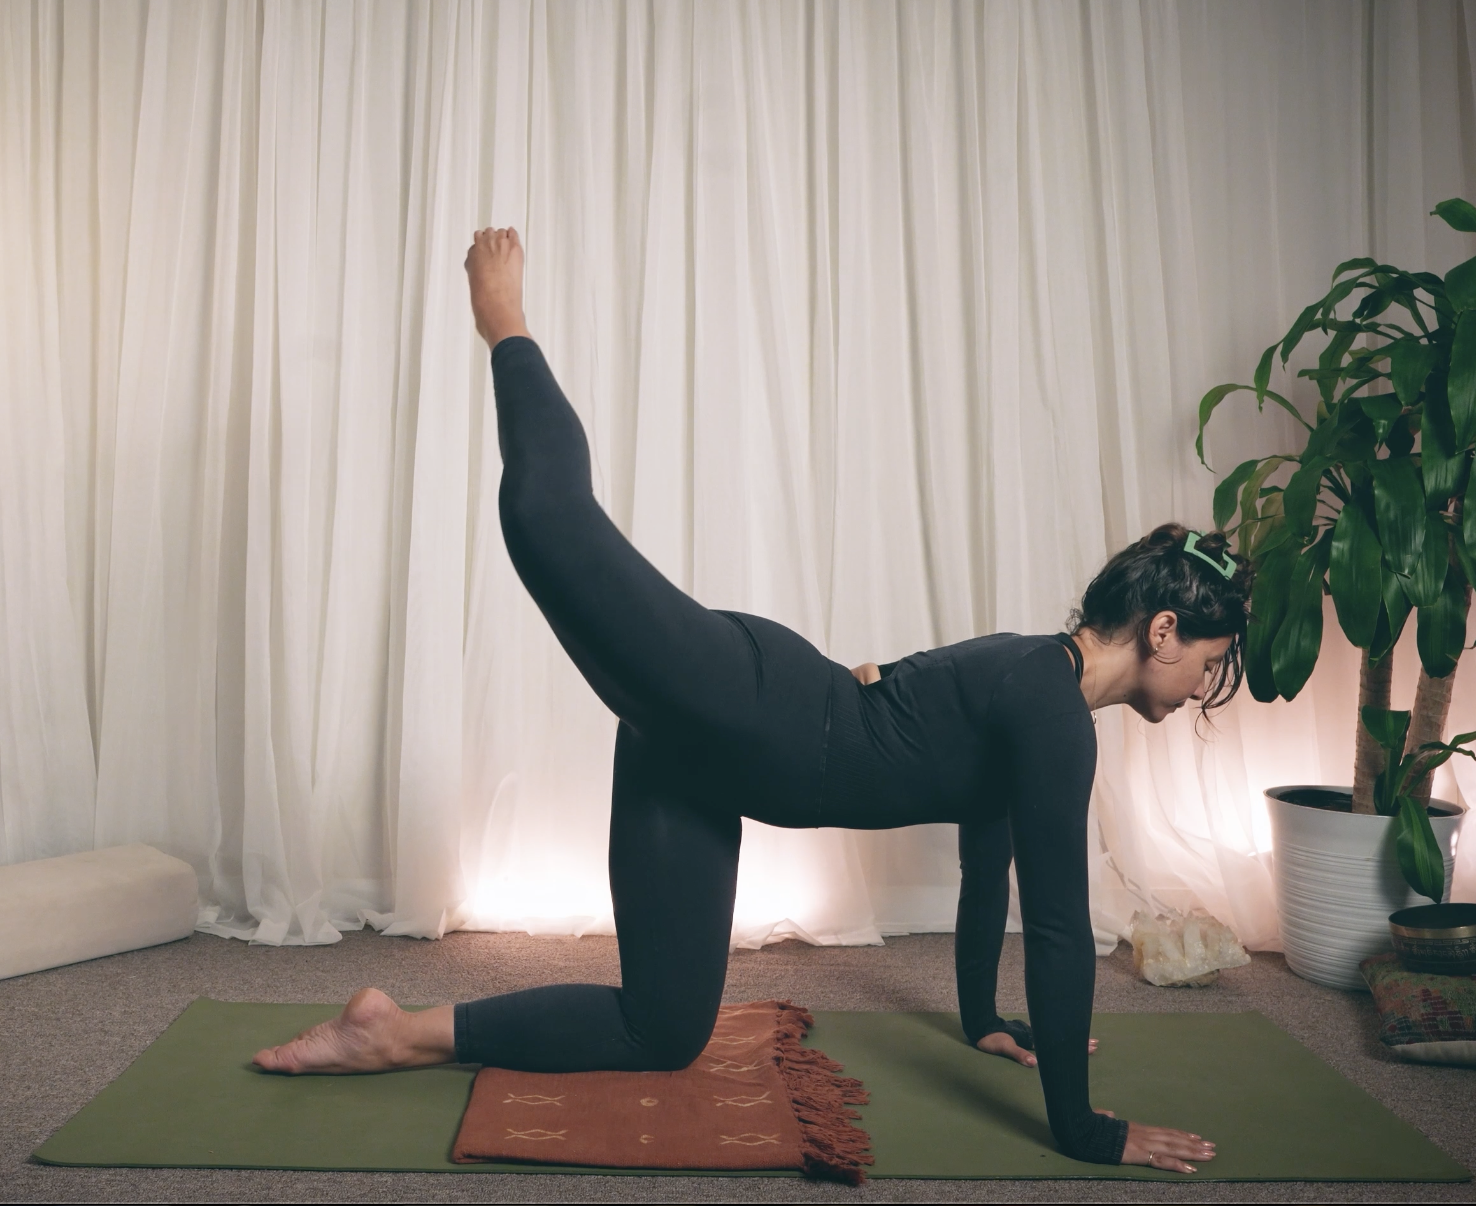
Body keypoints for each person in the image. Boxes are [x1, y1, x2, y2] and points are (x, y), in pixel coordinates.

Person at [254, 227, 1249, 1176]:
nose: (1207, 684)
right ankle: (504, 319)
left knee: (661, 1031)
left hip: (710, 760)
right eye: (1209, 660)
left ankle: (393, 1032)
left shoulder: (1034, 684)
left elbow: (990, 862)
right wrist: (1084, 1130)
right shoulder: (1050, 709)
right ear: (1162, 631)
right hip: (752, 707)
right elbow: (1064, 931)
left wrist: (984, 1018)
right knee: (549, 517)